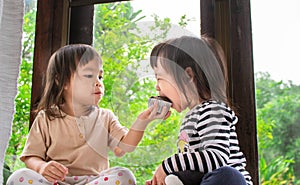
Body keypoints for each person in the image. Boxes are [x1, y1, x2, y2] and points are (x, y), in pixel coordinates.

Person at [6, 44, 170, 185]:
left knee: (124, 175)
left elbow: (123, 148)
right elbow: (31, 157)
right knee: (19, 177)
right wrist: (42, 167)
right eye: (89, 75)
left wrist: (142, 121)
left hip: (94, 181)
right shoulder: (46, 117)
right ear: (61, 82)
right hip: (55, 182)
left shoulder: (105, 117)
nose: (99, 82)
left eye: (100, 76)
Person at [145, 36, 253, 185]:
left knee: (227, 175)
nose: (157, 87)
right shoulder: (190, 118)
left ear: (187, 75)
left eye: (159, 78)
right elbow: (193, 169)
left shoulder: (214, 110)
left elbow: (215, 158)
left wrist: (167, 166)